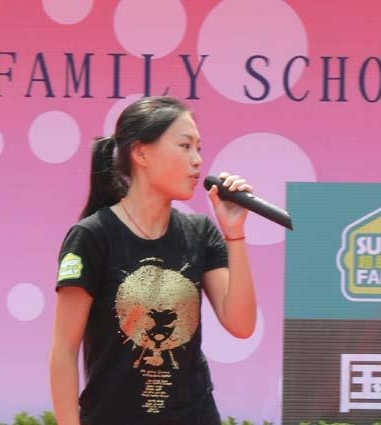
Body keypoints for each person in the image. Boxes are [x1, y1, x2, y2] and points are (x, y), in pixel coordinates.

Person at [49, 96, 257, 425]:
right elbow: (64, 350)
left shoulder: (200, 233)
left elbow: (242, 325)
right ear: (141, 153)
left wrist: (235, 233)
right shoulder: (92, 236)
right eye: (185, 146)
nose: (197, 161)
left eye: (199, 149)